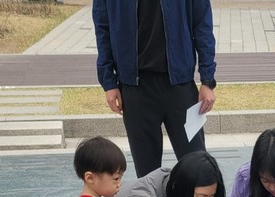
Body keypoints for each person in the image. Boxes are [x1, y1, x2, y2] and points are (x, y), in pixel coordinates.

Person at [93, 0, 217, 177]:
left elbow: (202, 24)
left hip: (180, 86)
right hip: (135, 89)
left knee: (198, 167)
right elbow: (103, 29)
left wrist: (207, 80)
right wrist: (109, 83)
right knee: (147, 175)